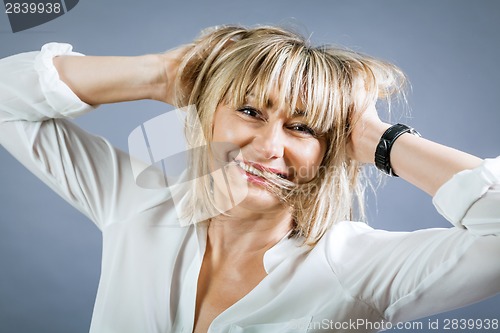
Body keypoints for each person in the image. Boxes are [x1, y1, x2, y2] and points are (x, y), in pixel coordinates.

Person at [0, 25, 499, 333]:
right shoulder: (136, 203)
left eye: (302, 127)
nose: (268, 147)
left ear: (331, 148)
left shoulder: (357, 267)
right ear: (209, 115)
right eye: (250, 111)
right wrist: (159, 75)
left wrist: (378, 138)